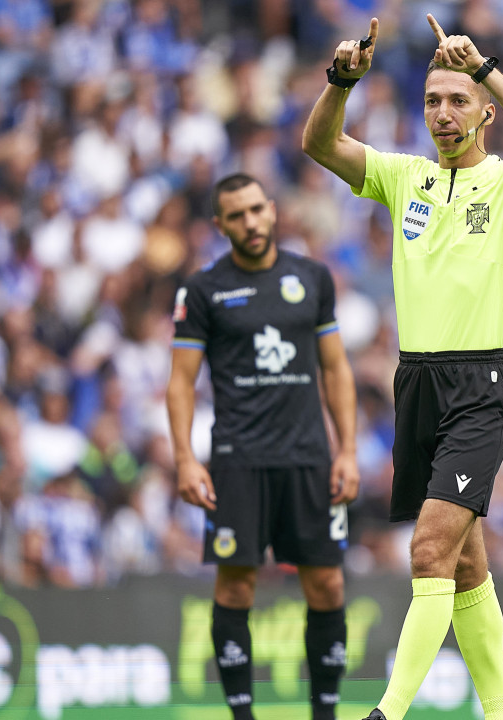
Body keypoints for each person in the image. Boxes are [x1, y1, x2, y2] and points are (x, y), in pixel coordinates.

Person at [302, 14, 503, 720]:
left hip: (482, 383)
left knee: (428, 551)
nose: (442, 115)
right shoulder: (403, 177)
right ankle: (502, 713)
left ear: (484, 110)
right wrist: (341, 82)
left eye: (456, 101)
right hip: (417, 382)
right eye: (431, 101)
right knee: (467, 564)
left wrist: (484, 69)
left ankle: (386, 712)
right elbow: (318, 142)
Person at [165, 173, 359, 720]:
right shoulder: (202, 291)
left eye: (256, 210)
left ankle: (325, 712)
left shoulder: (312, 278)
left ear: (272, 210)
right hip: (238, 461)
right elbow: (180, 382)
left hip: (309, 458)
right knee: (236, 584)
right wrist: (184, 458)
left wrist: (346, 450)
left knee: (325, 582)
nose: (250, 222)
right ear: (220, 224)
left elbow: (335, 368)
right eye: (237, 215)